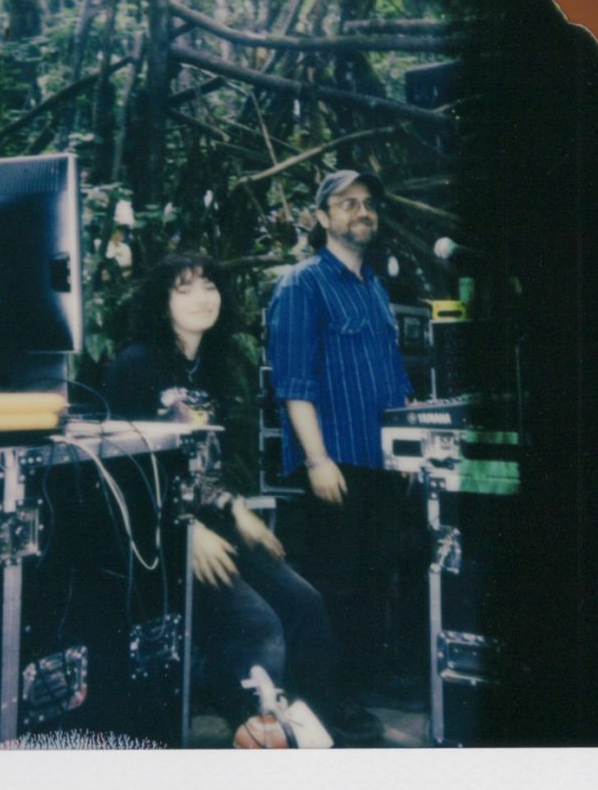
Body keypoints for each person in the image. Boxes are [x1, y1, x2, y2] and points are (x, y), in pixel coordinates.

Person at [104, 252, 340, 746]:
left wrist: (236, 509)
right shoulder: (136, 364)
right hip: (159, 533)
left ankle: (306, 728)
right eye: (184, 289)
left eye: (208, 286)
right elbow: (128, 475)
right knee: (258, 625)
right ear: (161, 302)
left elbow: (203, 467)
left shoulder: (211, 366)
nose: (201, 298)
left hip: (210, 522)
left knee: (304, 604)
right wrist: (187, 534)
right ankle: (257, 734)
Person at [266, 170, 415, 731]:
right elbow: (293, 383)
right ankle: (328, 703)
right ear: (323, 217)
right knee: (333, 585)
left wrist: (404, 451)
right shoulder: (302, 284)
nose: (362, 211)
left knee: (375, 580)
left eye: (368, 203)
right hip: (334, 461)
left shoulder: (373, 286)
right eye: (347, 203)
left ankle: (364, 678)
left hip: (381, 462)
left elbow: (394, 379)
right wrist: (317, 461)